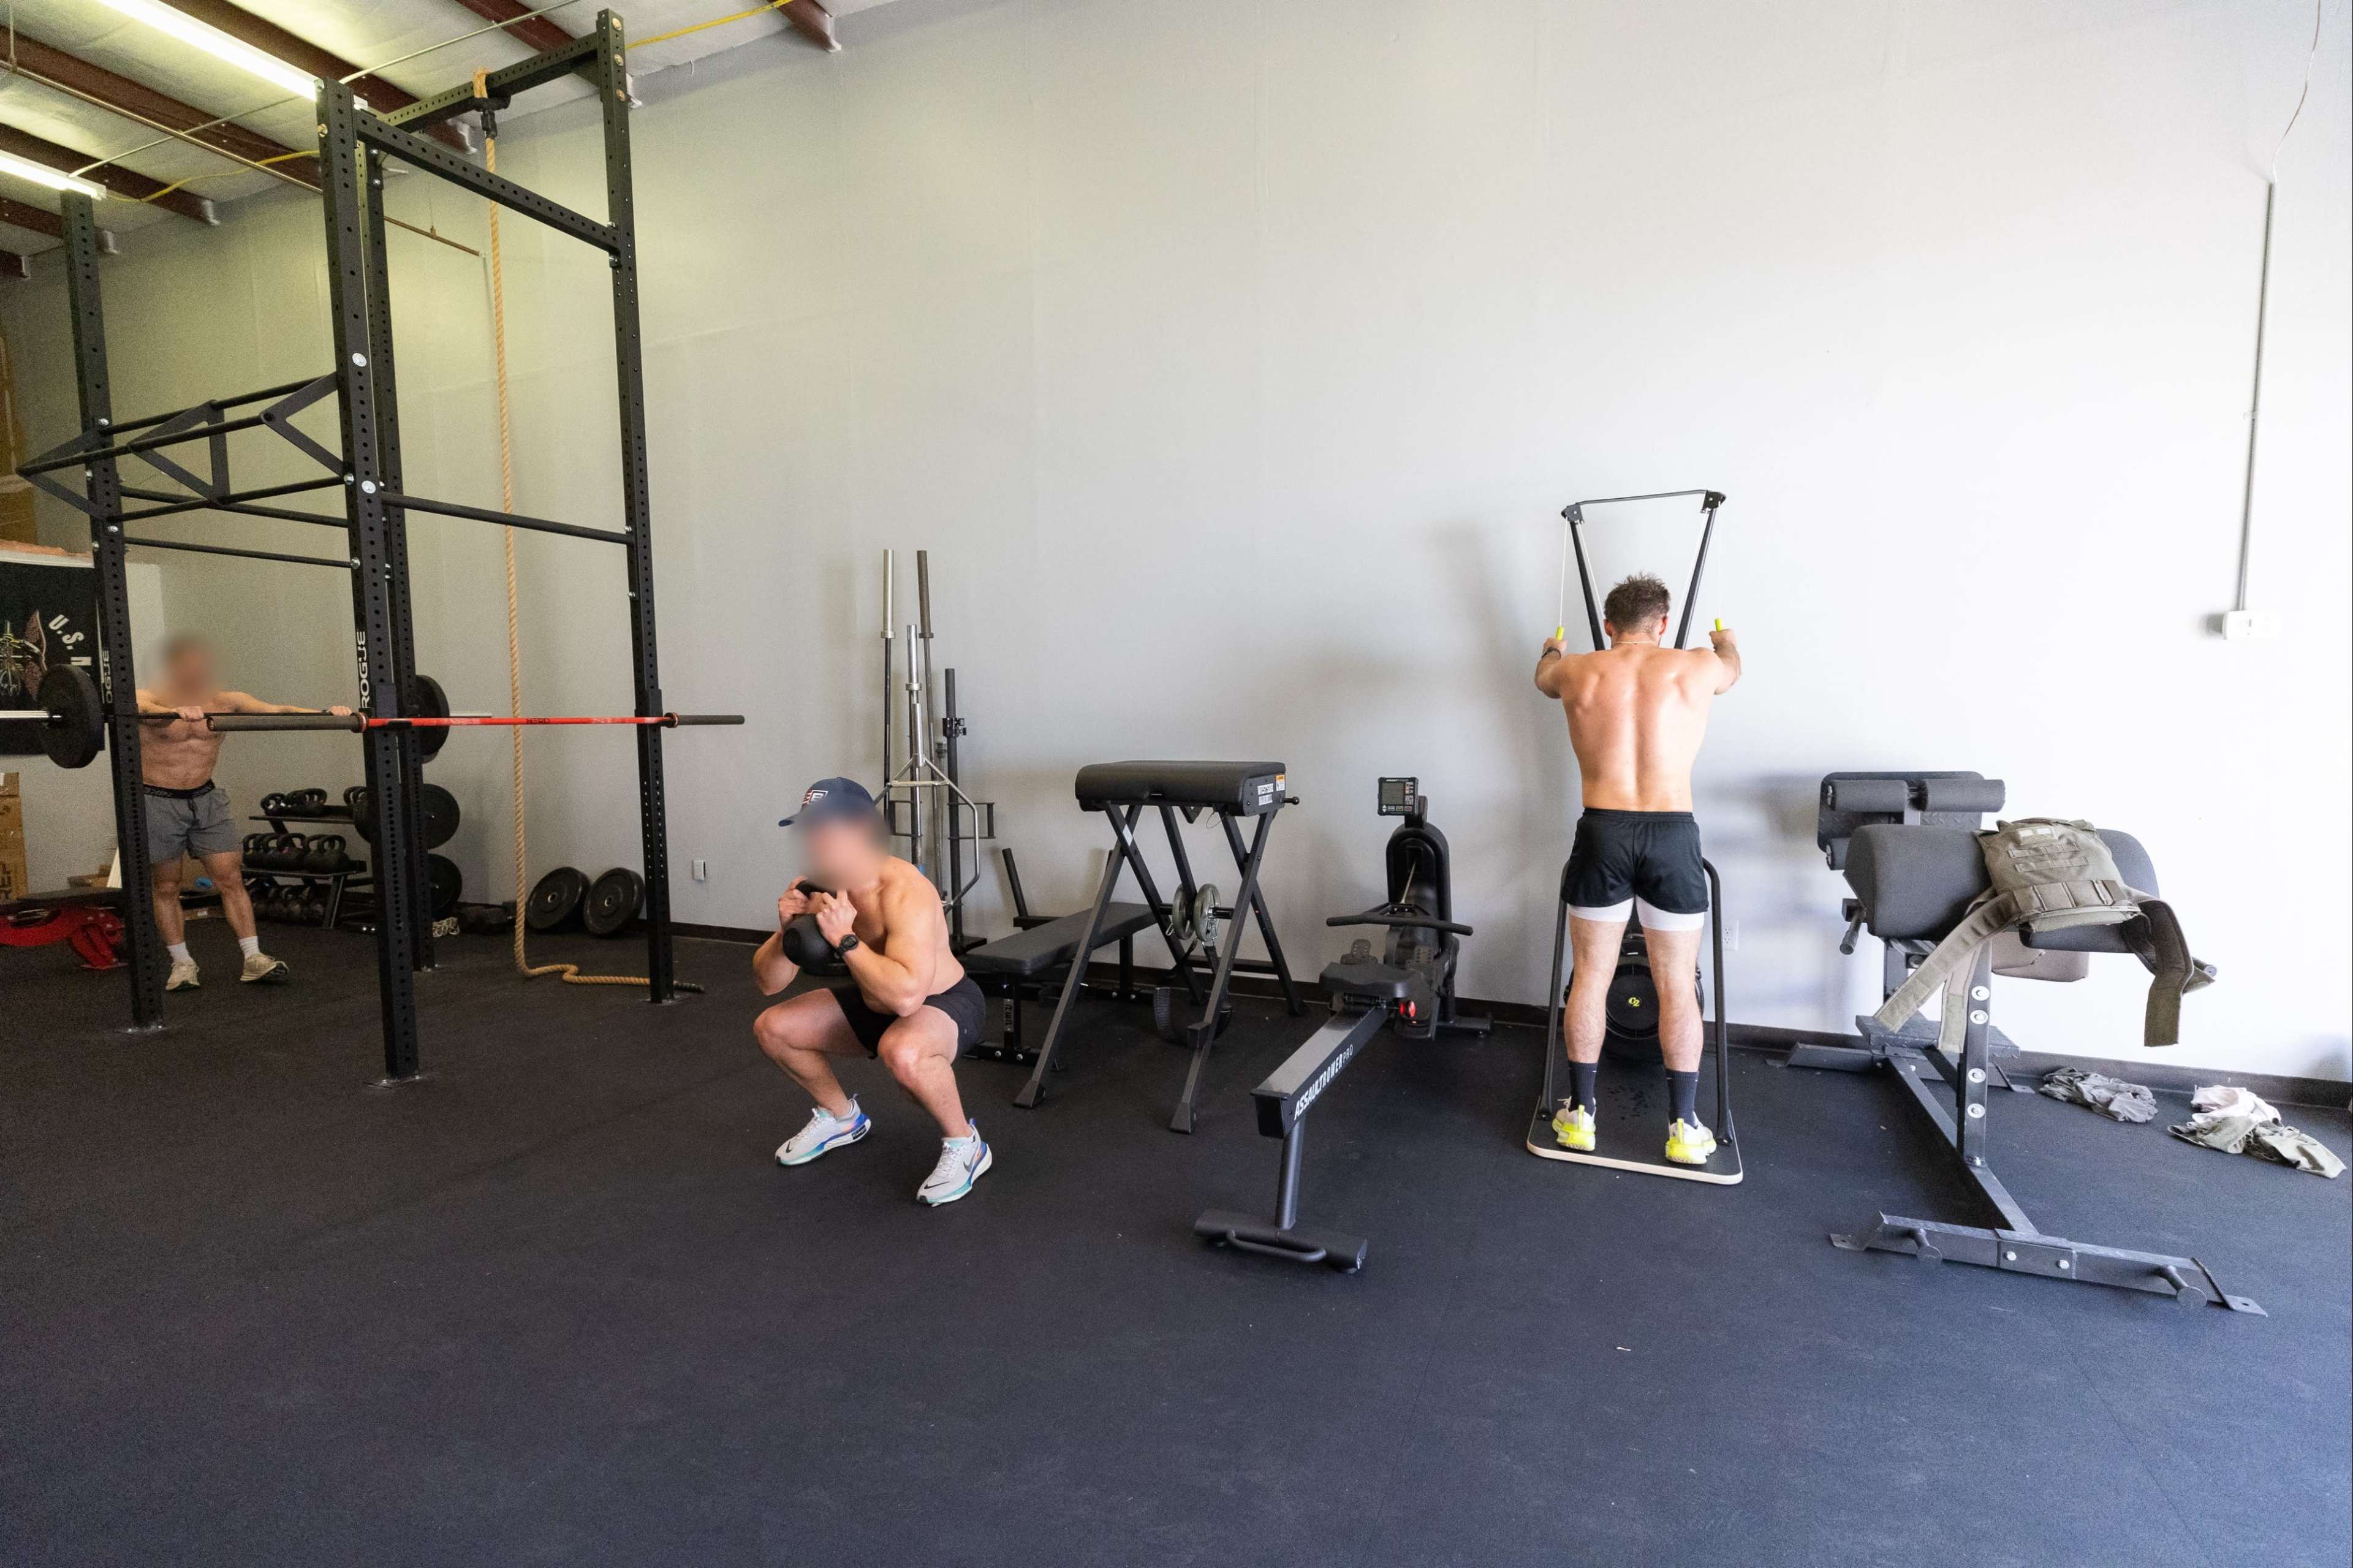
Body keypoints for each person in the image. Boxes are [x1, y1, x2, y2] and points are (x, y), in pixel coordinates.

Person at [1534, 574, 1741, 1164]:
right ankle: (1684, 1126)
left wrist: (1553, 647)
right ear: (1663, 623)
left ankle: (1580, 1117)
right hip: (1672, 832)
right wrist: (1725, 637)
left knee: (1591, 976)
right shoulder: (1697, 665)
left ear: (1607, 626)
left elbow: (1543, 676)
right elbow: (1732, 669)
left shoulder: (1578, 670)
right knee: (1677, 983)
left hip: (1603, 829)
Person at [751, 778, 993, 1206]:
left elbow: (905, 999)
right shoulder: (815, 886)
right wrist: (784, 931)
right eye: (811, 828)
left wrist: (845, 938)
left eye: (828, 828)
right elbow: (769, 983)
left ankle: (966, 1143)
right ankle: (842, 1119)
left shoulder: (905, 891)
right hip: (874, 995)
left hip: (943, 1001)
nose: (816, 840)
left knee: (904, 1052)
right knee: (773, 1028)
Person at [134, 634, 354, 990]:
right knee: (166, 886)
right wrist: (174, 713)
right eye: (189, 664)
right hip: (155, 800)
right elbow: (142, 711)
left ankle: (253, 958)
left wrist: (329, 714)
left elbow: (278, 711)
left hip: (206, 799)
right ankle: (182, 964)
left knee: (231, 879)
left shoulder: (226, 700)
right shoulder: (149, 697)